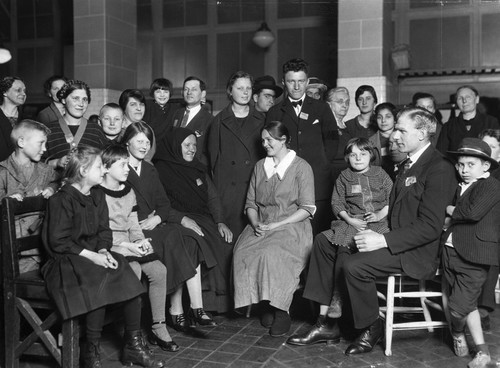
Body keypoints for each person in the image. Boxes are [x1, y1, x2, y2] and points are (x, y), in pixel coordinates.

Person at [342, 107, 457, 356]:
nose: (395, 135)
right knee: (342, 249)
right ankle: (351, 318)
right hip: (401, 240)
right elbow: (397, 211)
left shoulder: (439, 168)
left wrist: (382, 240)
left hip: (419, 252)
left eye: (402, 130)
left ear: (423, 133)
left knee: (354, 266)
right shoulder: (409, 164)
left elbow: (429, 227)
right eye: (396, 129)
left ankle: (372, 327)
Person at [41, 145, 164, 368]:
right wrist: (93, 256)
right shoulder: (60, 200)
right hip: (65, 260)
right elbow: (58, 243)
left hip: (92, 256)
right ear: (83, 172)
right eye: (99, 167)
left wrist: (103, 251)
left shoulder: (96, 195)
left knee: (124, 270)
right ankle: (91, 351)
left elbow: (104, 232)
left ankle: (133, 347)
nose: (103, 171)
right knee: (99, 277)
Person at [286, 138, 392, 347]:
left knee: (343, 251)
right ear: (347, 158)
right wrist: (350, 219)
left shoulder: (381, 174)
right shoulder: (344, 176)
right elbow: (337, 203)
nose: (358, 158)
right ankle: (323, 315)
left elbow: (393, 199)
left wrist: (379, 214)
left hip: (378, 225)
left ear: (371, 154)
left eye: (363, 153)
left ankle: (339, 318)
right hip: (350, 222)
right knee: (320, 241)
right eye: (353, 155)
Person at [122, 122, 219, 327]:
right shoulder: (118, 167)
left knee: (190, 239)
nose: (144, 146)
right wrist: (144, 223)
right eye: (139, 141)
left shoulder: (149, 169)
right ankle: (183, 309)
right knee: (177, 237)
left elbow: (164, 204)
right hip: (133, 230)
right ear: (127, 142)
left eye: (147, 142)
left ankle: (195, 307)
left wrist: (157, 218)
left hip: (154, 223)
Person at [233, 121, 315, 337]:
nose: (265, 144)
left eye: (269, 139)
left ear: (283, 140)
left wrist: (278, 224)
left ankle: (281, 310)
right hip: (262, 223)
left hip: (292, 225)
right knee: (243, 251)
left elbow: (307, 208)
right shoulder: (260, 166)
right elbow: (250, 204)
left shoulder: (301, 167)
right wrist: (255, 223)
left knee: (274, 252)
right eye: (262, 140)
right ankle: (265, 303)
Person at [99, 144, 179, 352]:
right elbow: (99, 232)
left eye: (128, 164)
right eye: (123, 165)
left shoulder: (128, 191)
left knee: (159, 270)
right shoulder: (97, 194)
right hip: (109, 245)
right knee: (133, 271)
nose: (128, 169)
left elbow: (133, 225)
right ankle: (130, 334)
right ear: (106, 168)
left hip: (129, 244)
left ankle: (158, 326)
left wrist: (139, 241)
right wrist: (124, 246)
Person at [155, 127, 234, 314]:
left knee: (225, 242)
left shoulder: (198, 167)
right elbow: (159, 204)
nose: (192, 149)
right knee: (196, 243)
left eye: (194, 145)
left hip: (203, 218)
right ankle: (195, 307)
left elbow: (212, 197)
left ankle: (214, 305)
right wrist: (182, 219)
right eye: (187, 145)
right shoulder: (160, 169)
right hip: (174, 220)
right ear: (175, 146)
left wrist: (220, 221)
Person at [442, 138, 500, 368]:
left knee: (458, 308)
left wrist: (449, 210)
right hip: (449, 250)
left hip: (476, 254)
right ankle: (483, 352)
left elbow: (473, 213)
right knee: (469, 305)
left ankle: (456, 332)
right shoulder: (458, 185)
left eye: (470, 165)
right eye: (461, 165)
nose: (464, 170)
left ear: (485, 166)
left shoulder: (491, 185)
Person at [266, 58, 338, 235]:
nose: (296, 87)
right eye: (291, 81)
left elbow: (332, 141)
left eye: (301, 81)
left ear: (307, 82)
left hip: (318, 184)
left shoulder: (322, 109)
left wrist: (321, 164)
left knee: (319, 234)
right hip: (287, 186)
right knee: (290, 235)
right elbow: (270, 147)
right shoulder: (275, 112)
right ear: (284, 82)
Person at [207, 71, 266, 242]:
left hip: (254, 190)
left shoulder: (261, 119)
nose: (245, 92)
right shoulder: (218, 122)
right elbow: (212, 161)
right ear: (230, 91)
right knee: (229, 242)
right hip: (228, 193)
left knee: (253, 243)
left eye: (248, 88)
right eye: (240, 88)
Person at [0, 120, 58, 272]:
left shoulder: (45, 170)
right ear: (21, 142)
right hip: (10, 247)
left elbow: (58, 182)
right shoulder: (3, 171)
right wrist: (6, 198)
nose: (45, 149)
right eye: (41, 143)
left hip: (41, 246)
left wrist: (52, 188)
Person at [44, 80, 107, 170]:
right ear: (63, 100)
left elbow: (107, 161)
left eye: (84, 99)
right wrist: (57, 162)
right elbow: (37, 165)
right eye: (75, 98)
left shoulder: (96, 130)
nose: (81, 104)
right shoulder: (49, 130)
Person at [477, 129, 500, 333]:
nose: (486, 150)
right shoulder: (471, 170)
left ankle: (483, 309)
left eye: (492, 147)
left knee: (492, 245)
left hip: (494, 230)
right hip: (470, 226)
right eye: (483, 145)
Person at [437, 85, 500, 153]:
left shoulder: (491, 122)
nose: (464, 101)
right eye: (460, 98)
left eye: (468, 97)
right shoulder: (448, 126)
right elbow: (440, 153)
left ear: (477, 99)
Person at [169, 76, 213, 162]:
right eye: (186, 89)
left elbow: (209, 153)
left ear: (203, 94)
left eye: (194, 89)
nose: (189, 92)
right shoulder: (176, 114)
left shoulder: (210, 120)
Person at [119, 89, 156, 161]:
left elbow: (148, 158)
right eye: (133, 104)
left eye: (141, 104)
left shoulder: (147, 129)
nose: (139, 108)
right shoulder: (116, 128)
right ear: (124, 108)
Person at [324, 87, 352, 180]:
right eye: (340, 102)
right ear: (329, 105)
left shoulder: (347, 128)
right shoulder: (325, 127)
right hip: (331, 178)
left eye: (347, 102)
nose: (345, 105)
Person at [143, 78, 179, 142]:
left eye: (166, 92)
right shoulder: (146, 108)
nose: (162, 95)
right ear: (153, 93)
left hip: (169, 148)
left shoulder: (175, 108)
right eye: (158, 92)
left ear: (170, 93)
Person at [0, 76, 26, 161]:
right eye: (18, 90)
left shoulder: (27, 120)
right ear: (4, 92)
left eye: (24, 91)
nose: (23, 94)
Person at [369, 102, 398, 176]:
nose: (383, 121)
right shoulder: (370, 142)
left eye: (388, 117)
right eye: (379, 117)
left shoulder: (403, 138)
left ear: (395, 119)